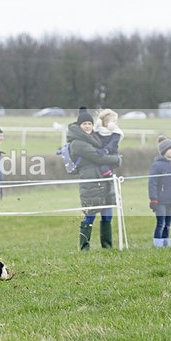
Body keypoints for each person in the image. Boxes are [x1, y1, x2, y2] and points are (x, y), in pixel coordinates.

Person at [67, 107, 121, 250]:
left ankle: (107, 246)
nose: (87, 126)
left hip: (104, 181)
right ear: (79, 126)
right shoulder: (77, 143)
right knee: (89, 217)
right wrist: (116, 159)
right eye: (84, 124)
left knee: (107, 216)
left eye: (89, 124)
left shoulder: (95, 137)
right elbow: (97, 157)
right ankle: (84, 247)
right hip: (90, 182)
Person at [148, 136, 171, 247]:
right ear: (163, 151)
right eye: (170, 148)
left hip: (170, 200)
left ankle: (166, 244)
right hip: (160, 201)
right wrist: (153, 200)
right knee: (161, 223)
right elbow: (152, 184)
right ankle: (158, 245)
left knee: (168, 224)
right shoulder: (157, 166)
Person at [94, 109, 124, 177]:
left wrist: (106, 150)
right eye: (114, 121)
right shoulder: (97, 132)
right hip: (101, 154)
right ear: (105, 122)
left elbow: (113, 143)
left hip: (112, 154)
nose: (116, 123)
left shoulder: (116, 133)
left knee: (105, 169)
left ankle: (110, 179)